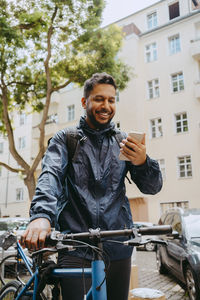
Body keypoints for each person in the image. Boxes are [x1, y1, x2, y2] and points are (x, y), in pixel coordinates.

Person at [21, 72, 162, 300]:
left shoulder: (123, 142)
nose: (106, 105)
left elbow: (152, 187)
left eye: (111, 100)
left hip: (118, 247)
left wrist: (143, 162)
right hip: (75, 247)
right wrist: (41, 216)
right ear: (85, 102)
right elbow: (50, 176)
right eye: (99, 99)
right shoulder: (66, 139)